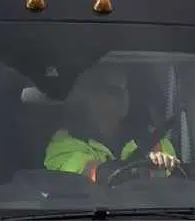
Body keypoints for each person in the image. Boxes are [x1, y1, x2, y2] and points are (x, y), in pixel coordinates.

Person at [43, 63, 179, 182]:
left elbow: (173, 187)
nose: (123, 96)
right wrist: (142, 167)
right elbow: (89, 174)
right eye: (113, 90)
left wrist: (161, 164)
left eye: (125, 89)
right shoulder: (64, 144)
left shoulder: (153, 140)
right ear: (91, 97)